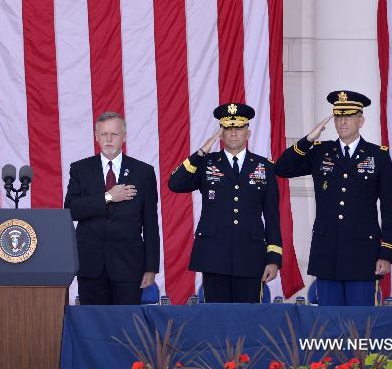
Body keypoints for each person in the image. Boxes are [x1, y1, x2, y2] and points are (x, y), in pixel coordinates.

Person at [276, 90, 392, 306]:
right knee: (328, 321)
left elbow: (389, 208)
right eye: (339, 117)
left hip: (363, 254)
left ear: (361, 121)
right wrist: (308, 140)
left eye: (349, 117)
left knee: (361, 321)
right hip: (327, 252)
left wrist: (386, 253)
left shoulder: (378, 156)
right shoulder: (321, 152)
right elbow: (283, 168)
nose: (342, 122)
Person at [168, 103, 282, 303]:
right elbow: (175, 183)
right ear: (221, 134)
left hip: (250, 256)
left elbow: (272, 216)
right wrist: (201, 152)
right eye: (228, 129)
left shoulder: (264, 167)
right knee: (216, 316)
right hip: (214, 255)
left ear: (248, 132)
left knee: (248, 316)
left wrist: (273, 258)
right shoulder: (207, 163)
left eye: (239, 128)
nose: (234, 133)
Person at [63, 111, 159, 305]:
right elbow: (71, 210)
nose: (108, 139)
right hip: (91, 265)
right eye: (104, 134)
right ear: (96, 137)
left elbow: (151, 223)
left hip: (128, 265)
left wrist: (151, 267)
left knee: (126, 321)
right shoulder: (80, 169)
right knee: (94, 320)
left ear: (124, 137)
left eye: (114, 134)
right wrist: (108, 197)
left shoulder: (143, 172)